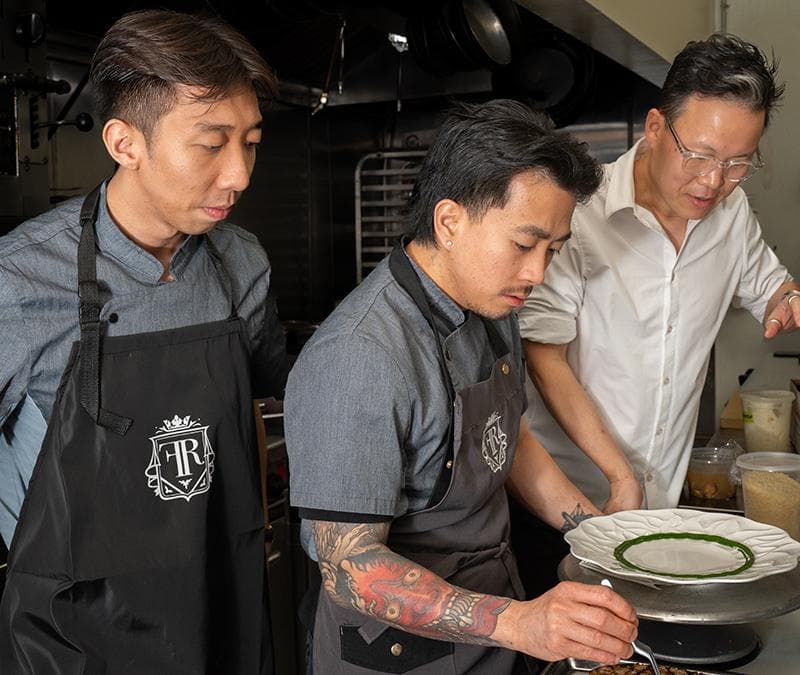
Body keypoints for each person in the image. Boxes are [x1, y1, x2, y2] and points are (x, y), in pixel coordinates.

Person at [284, 99, 639, 675]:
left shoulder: (493, 305)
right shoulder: (359, 356)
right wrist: (519, 623)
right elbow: (350, 567)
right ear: (449, 222)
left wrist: (602, 537)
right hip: (402, 654)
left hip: (494, 617)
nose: (537, 273)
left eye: (552, 250)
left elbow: (504, 439)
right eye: (523, 245)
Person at [0, 9, 288, 673]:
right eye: (211, 144)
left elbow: (254, 400)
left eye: (250, 142)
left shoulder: (241, 262)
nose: (240, 174)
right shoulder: (19, 280)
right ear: (125, 143)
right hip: (74, 637)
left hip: (220, 602)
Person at [512, 33, 800, 598]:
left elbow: (772, 287)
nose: (713, 181)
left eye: (738, 163)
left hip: (657, 515)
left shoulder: (731, 214)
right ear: (654, 127)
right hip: (568, 506)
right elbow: (544, 356)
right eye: (700, 155)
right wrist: (619, 475)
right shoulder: (582, 213)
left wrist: (786, 299)